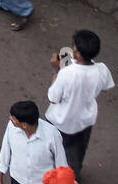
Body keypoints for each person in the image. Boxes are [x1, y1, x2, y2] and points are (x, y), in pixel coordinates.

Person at [46, 29, 113, 175]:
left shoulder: (66, 74)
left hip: (61, 121)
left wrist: (57, 70)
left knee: (52, 150)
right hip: (84, 121)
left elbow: (53, 97)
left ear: (77, 53)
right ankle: (73, 176)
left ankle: (53, 176)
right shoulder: (102, 70)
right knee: (76, 154)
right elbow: (105, 88)